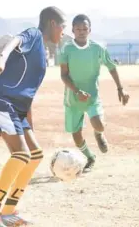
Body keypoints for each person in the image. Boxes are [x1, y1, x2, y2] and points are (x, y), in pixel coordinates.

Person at [0, 6, 66, 227]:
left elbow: (28, 95)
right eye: (63, 27)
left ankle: (8, 212)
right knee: (21, 154)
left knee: (34, 154)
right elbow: (14, 40)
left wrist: (29, 128)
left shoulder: (43, 57)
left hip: (16, 107)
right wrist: (1, 59)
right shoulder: (34, 35)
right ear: (53, 23)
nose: (63, 32)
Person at [59, 14, 129, 173]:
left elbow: (111, 67)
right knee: (76, 137)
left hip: (92, 97)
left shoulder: (98, 48)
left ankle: (98, 135)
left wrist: (120, 88)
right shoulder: (67, 49)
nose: (82, 31)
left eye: (85, 29)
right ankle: (90, 157)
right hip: (73, 99)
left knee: (99, 124)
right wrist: (76, 91)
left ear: (89, 30)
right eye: (78, 29)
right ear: (73, 30)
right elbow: (64, 75)